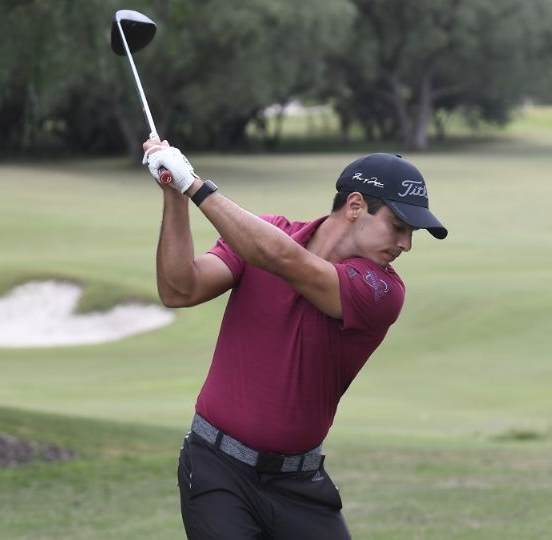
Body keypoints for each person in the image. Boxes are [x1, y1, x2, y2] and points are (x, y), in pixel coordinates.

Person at [142, 138, 447, 539]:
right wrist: (174, 193)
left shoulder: (382, 291)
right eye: (398, 227)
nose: (406, 244)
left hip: (300, 487)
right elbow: (180, 289)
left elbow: (284, 260)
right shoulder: (265, 235)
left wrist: (193, 184)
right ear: (355, 207)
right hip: (216, 468)